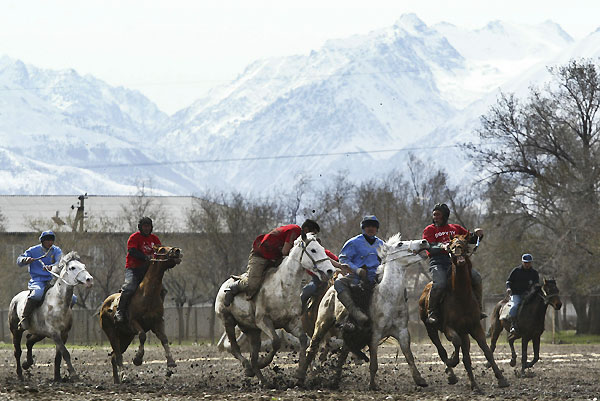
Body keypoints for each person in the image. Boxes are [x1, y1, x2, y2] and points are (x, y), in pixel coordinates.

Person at [223, 219, 321, 307]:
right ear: (306, 230)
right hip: (261, 255)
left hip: (274, 257)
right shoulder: (295, 231)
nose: (314, 236)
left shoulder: (300, 238)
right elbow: (285, 251)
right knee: (252, 284)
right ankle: (233, 287)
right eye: (313, 233)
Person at [422, 203, 485, 325]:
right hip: (438, 262)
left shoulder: (455, 228)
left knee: (476, 277)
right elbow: (428, 245)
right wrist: (442, 246)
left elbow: (469, 239)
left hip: (457, 262)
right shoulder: (430, 229)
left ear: (445, 215)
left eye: (438, 215)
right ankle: (432, 311)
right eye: (434, 215)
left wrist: (477, 235)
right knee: (440, 284)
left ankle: (478, 308)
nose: (435, 217)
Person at [333, 215, 384, 326]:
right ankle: (354, 312)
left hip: (378, 278)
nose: (371, 228)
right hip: (357, 278)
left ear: (377, 229)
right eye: (368, 226)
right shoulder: (353, 242)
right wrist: (357, 270)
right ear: (363, 228)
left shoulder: (382, 244)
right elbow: (343, 258)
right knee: (338, 283)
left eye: (374, 226)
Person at [114, 217, 161, 324]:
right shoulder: (134, 238)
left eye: (148, 226)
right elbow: (132, 251)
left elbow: (160, 251)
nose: (147, 228)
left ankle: (157, 312)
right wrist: (145, 257)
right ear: (140, 227)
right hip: (134, 269)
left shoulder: (154, 239)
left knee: (161, 289)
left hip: (148, 271)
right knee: (129, 287)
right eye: (144, 226)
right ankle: (119, 312)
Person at [16, 230, 63, 330]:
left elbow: (60, 262)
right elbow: (19, 260)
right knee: (37, 294)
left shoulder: (56, 250)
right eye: (48, 240)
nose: (50, 242)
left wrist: (52, 267)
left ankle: (64, 318)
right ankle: (25, 318)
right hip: (38, 280)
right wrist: (25, 259)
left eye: (52, 240)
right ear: (42, 241)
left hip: (53, 280)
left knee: (72, 298)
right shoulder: (33, 250)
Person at [300, 239, 342, 312]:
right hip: (317, 280)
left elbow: (337, 261)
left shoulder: (326, 253)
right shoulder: (307, 256)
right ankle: (301, 311)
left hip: (332, 277)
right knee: (307, 291)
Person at [505, 253, 539, 335]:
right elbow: (509, 281)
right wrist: (508, 288)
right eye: (525, 263)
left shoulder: (534, 273)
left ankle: (537, 325)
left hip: (529, 295)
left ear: (531, 263)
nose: (527, 264)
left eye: (529, 263)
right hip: (516, 294)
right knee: (515, 306)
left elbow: (536, 284)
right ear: (522, 262)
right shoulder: (516, 271)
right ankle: (513, 325)